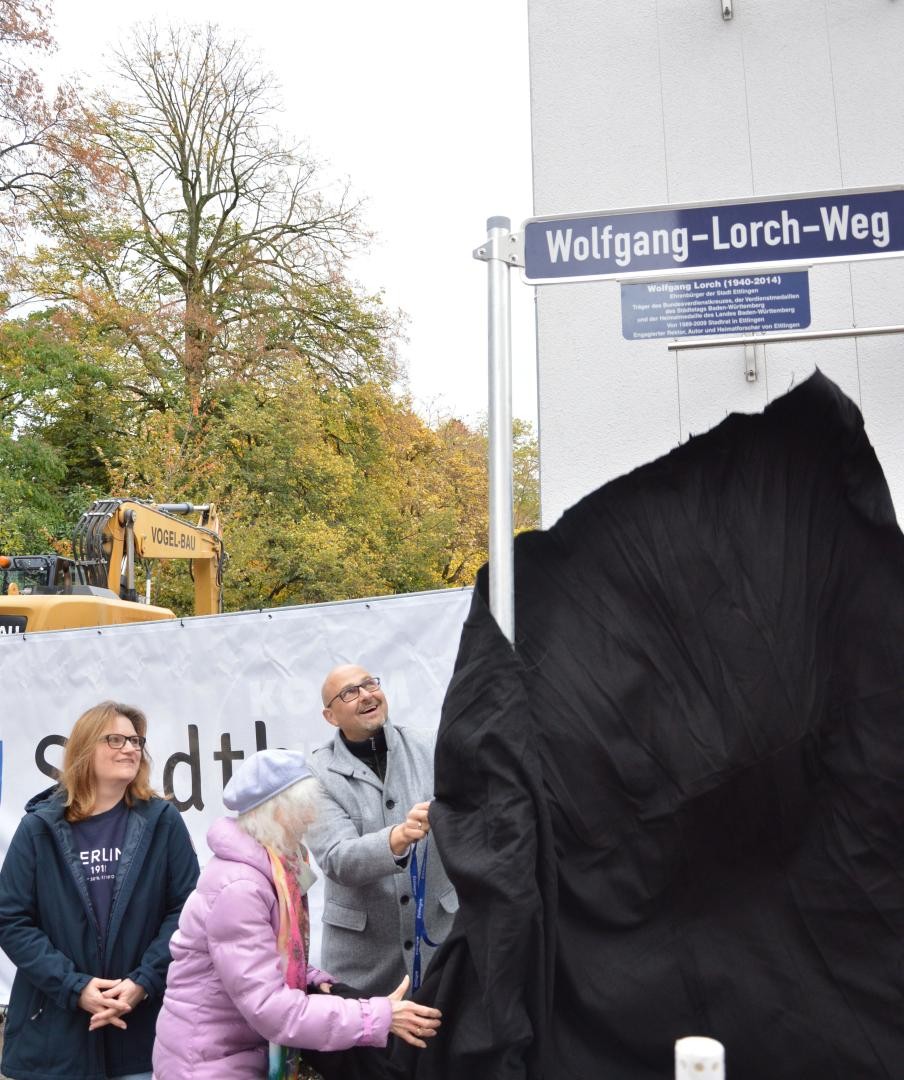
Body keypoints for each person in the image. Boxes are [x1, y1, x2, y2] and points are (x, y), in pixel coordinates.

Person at [153, 748, 442, 1080]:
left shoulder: (277, 868)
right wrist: (377, 1016)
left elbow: (271, 960)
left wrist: (313, 979)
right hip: (208, 1064)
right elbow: (271, 1010)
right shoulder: (241, 889)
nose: (310, 818)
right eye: (305, 808)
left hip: (238, 1054)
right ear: (278, 814)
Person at [0, 700, 200, 1080]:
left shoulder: (163, 821)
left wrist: (144, 981)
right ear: (85, 749)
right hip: (55, 1035)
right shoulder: (38, 828)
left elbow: (187, 911)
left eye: (136, 740)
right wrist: (75, 987)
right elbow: (11, 920)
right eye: (116, 739)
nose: (131, 748)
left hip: (142, 1031)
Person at [306, 665, 457, 996]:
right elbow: (337, 858)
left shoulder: (431, 746)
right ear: (330, 716)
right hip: (363, 969)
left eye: (369, 684)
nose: (366, 696)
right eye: (349, 692)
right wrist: (399, 836)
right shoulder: (315, 774)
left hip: (440, 951)